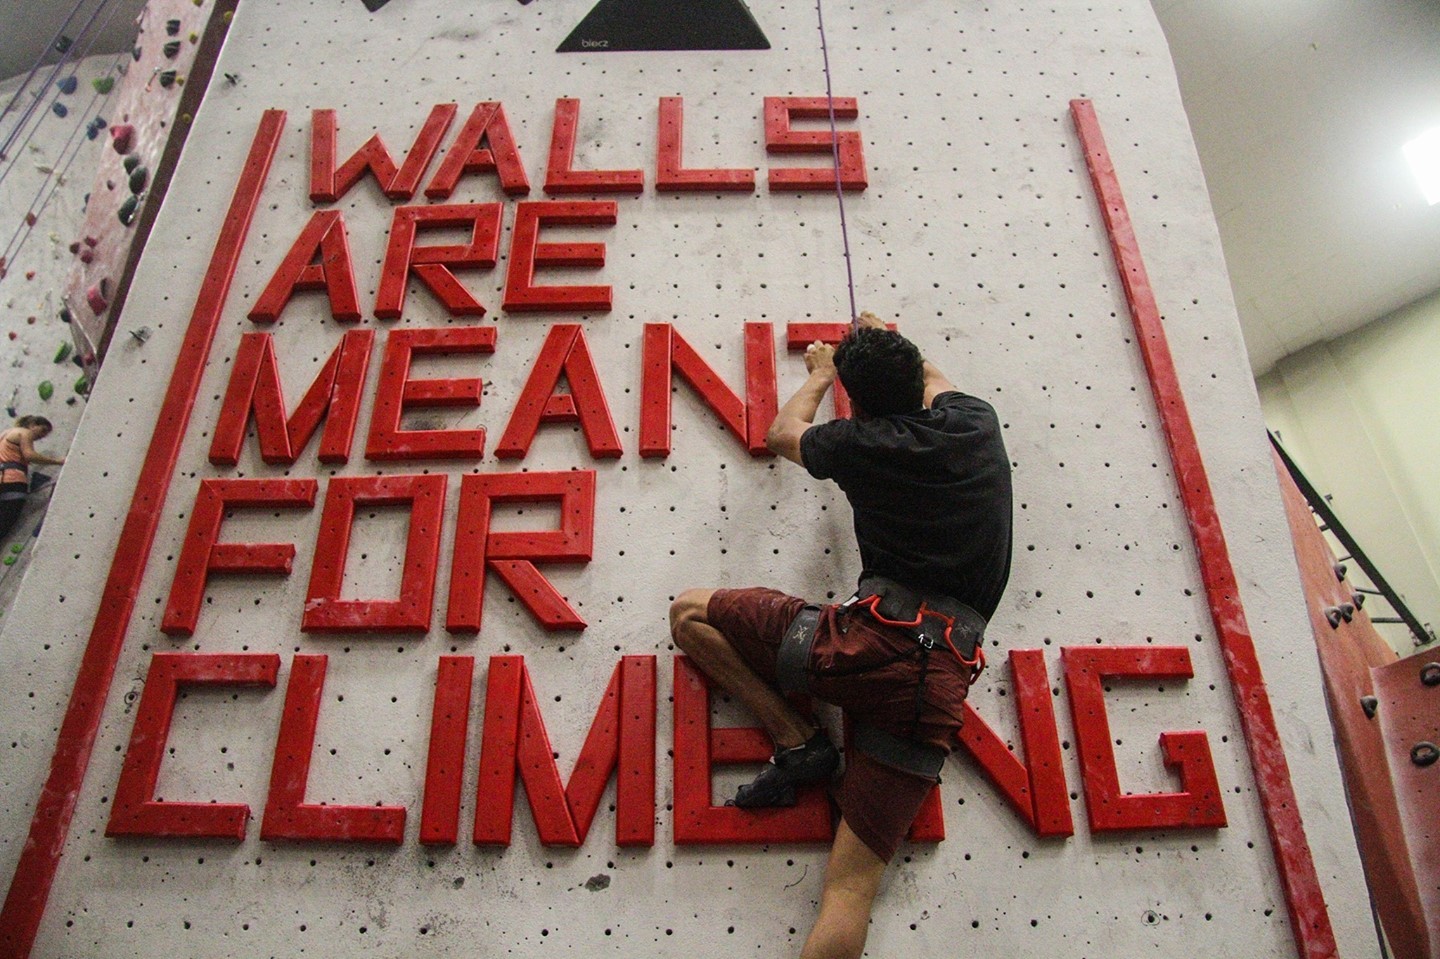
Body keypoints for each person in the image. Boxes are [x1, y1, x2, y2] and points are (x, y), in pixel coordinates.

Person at [669, 312, 1012, 959]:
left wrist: (823, 372)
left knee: (691, 612)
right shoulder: (975, 421)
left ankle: (797, 739)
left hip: (862, 645)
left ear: (859, 402)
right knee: (850, 890)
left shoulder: (862, 445)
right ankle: (802, 741)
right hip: (937, 685)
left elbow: (781, 433)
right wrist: (886, 338)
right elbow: (932, 375)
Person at [0, 415, 65, 543]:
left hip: (2, 478)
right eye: (43, 430)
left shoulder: (5, 434)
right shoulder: (24, 432)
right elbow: (29, 455)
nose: (42, 436)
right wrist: (58, 461)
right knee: (6, 520)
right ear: (32, 424)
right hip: (12, 480)